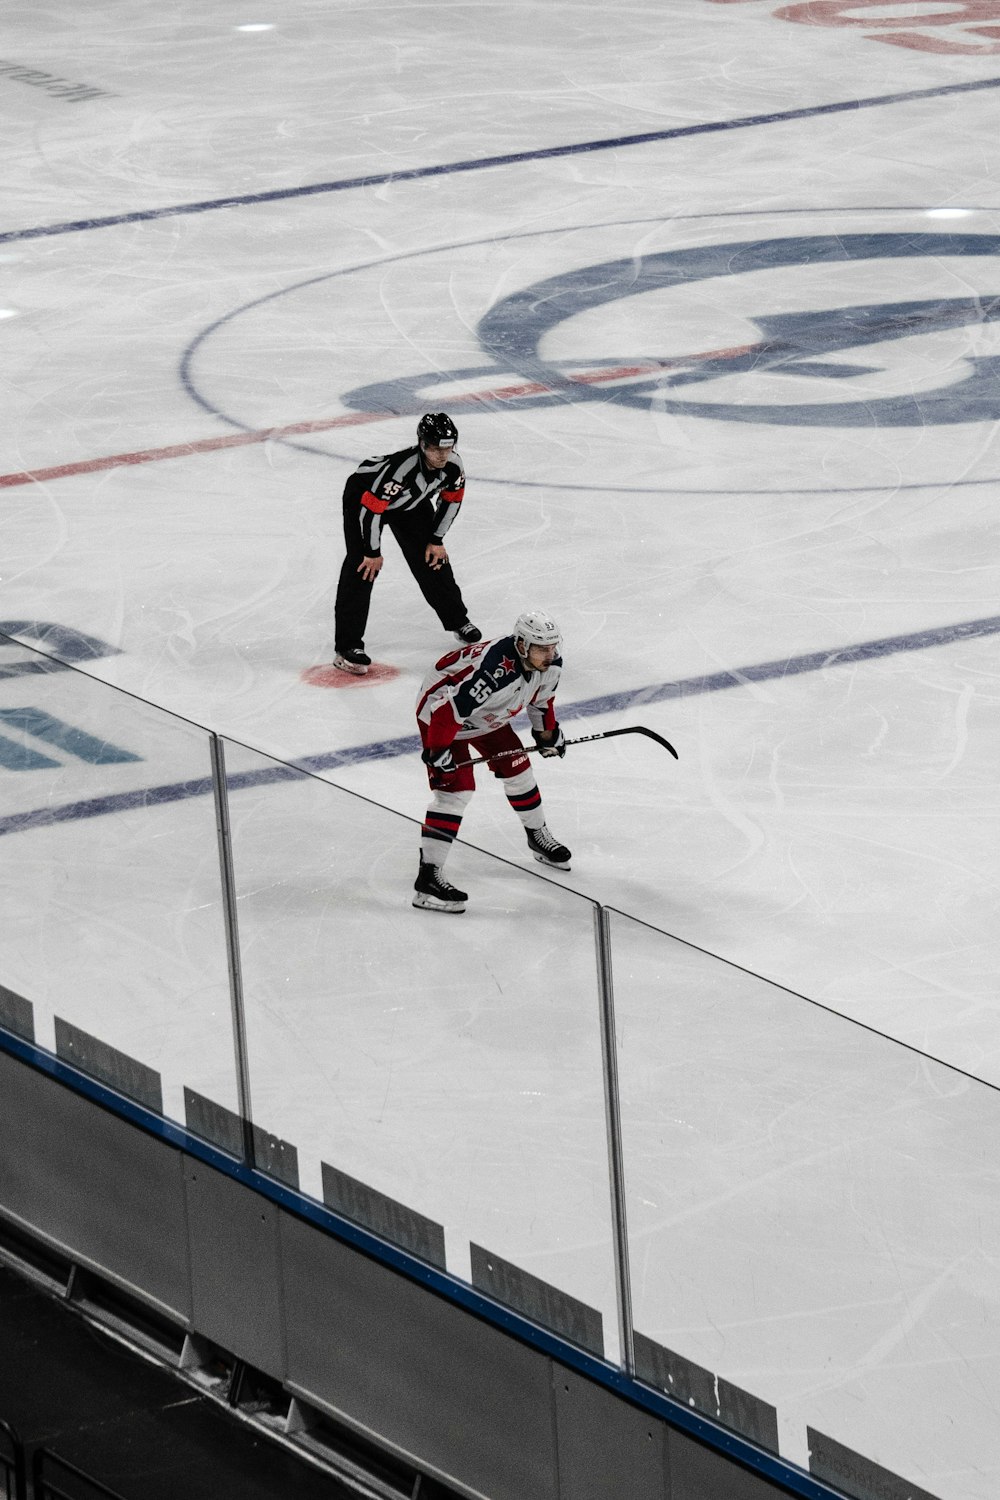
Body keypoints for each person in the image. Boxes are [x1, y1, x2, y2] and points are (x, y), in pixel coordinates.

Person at [412, 608, 572, 913]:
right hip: (442, 715)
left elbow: (542, 700)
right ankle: (427, 881)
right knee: (455, 793)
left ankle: (537, 836)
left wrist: (547, 735)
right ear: (523, 645)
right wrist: (437, 753)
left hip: (488, 714)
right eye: (542, 648)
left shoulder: (550, 664)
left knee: (519, 770)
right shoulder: (495, 670)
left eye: (553, 646)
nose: (550, 654)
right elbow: (449, 712)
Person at [333, 412, 481, 674]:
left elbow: (451, 502)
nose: (442, 455)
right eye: (436, 448)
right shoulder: (400, 470)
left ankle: (458, 620)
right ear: (422, 444)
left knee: (432, 558)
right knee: (362, 567)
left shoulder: (454, 466)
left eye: (448, 447)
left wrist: (436, 539)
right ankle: (347, 647)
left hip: (408, 504)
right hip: (364, 500)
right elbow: (372, 511)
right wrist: (371, 551)